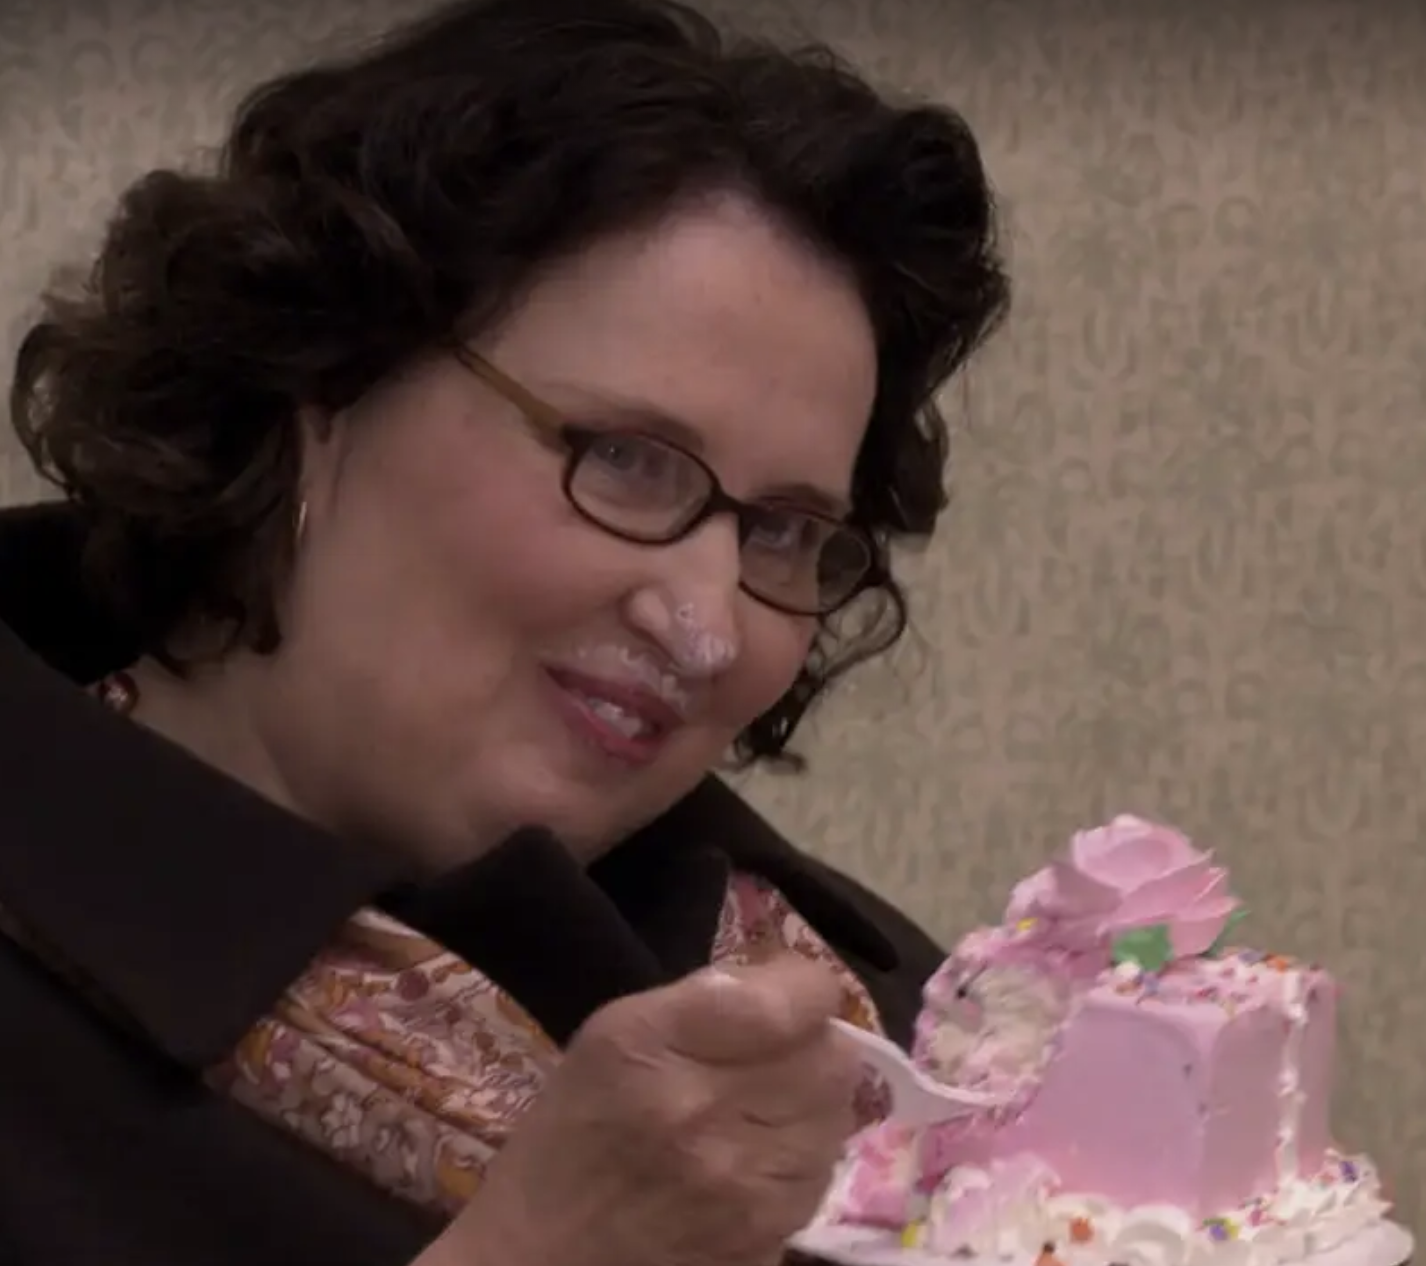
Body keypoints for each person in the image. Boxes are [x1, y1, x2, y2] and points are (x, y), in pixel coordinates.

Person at [0, 0, 1008, 1261]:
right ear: (321, 394)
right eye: (630, 460)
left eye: (783, 531)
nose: (705, 626)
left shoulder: (831, 975)